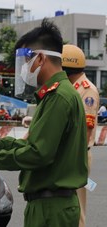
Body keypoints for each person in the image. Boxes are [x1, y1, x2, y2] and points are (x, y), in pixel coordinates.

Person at [0, 19, 88, 227]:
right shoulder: (58, 93)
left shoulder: (58, 96)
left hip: (51, 209)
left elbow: (38, 153)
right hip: (51, 205)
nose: (24, 69)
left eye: (26, 61)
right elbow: (36, 144)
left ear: (41, 57)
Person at [62, 44, 99, 227]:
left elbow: (85, 129)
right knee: (66, 205)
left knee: (76, 206)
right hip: (69, 154)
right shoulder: (70, 87)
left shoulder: (87, 90)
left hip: (77, 155)